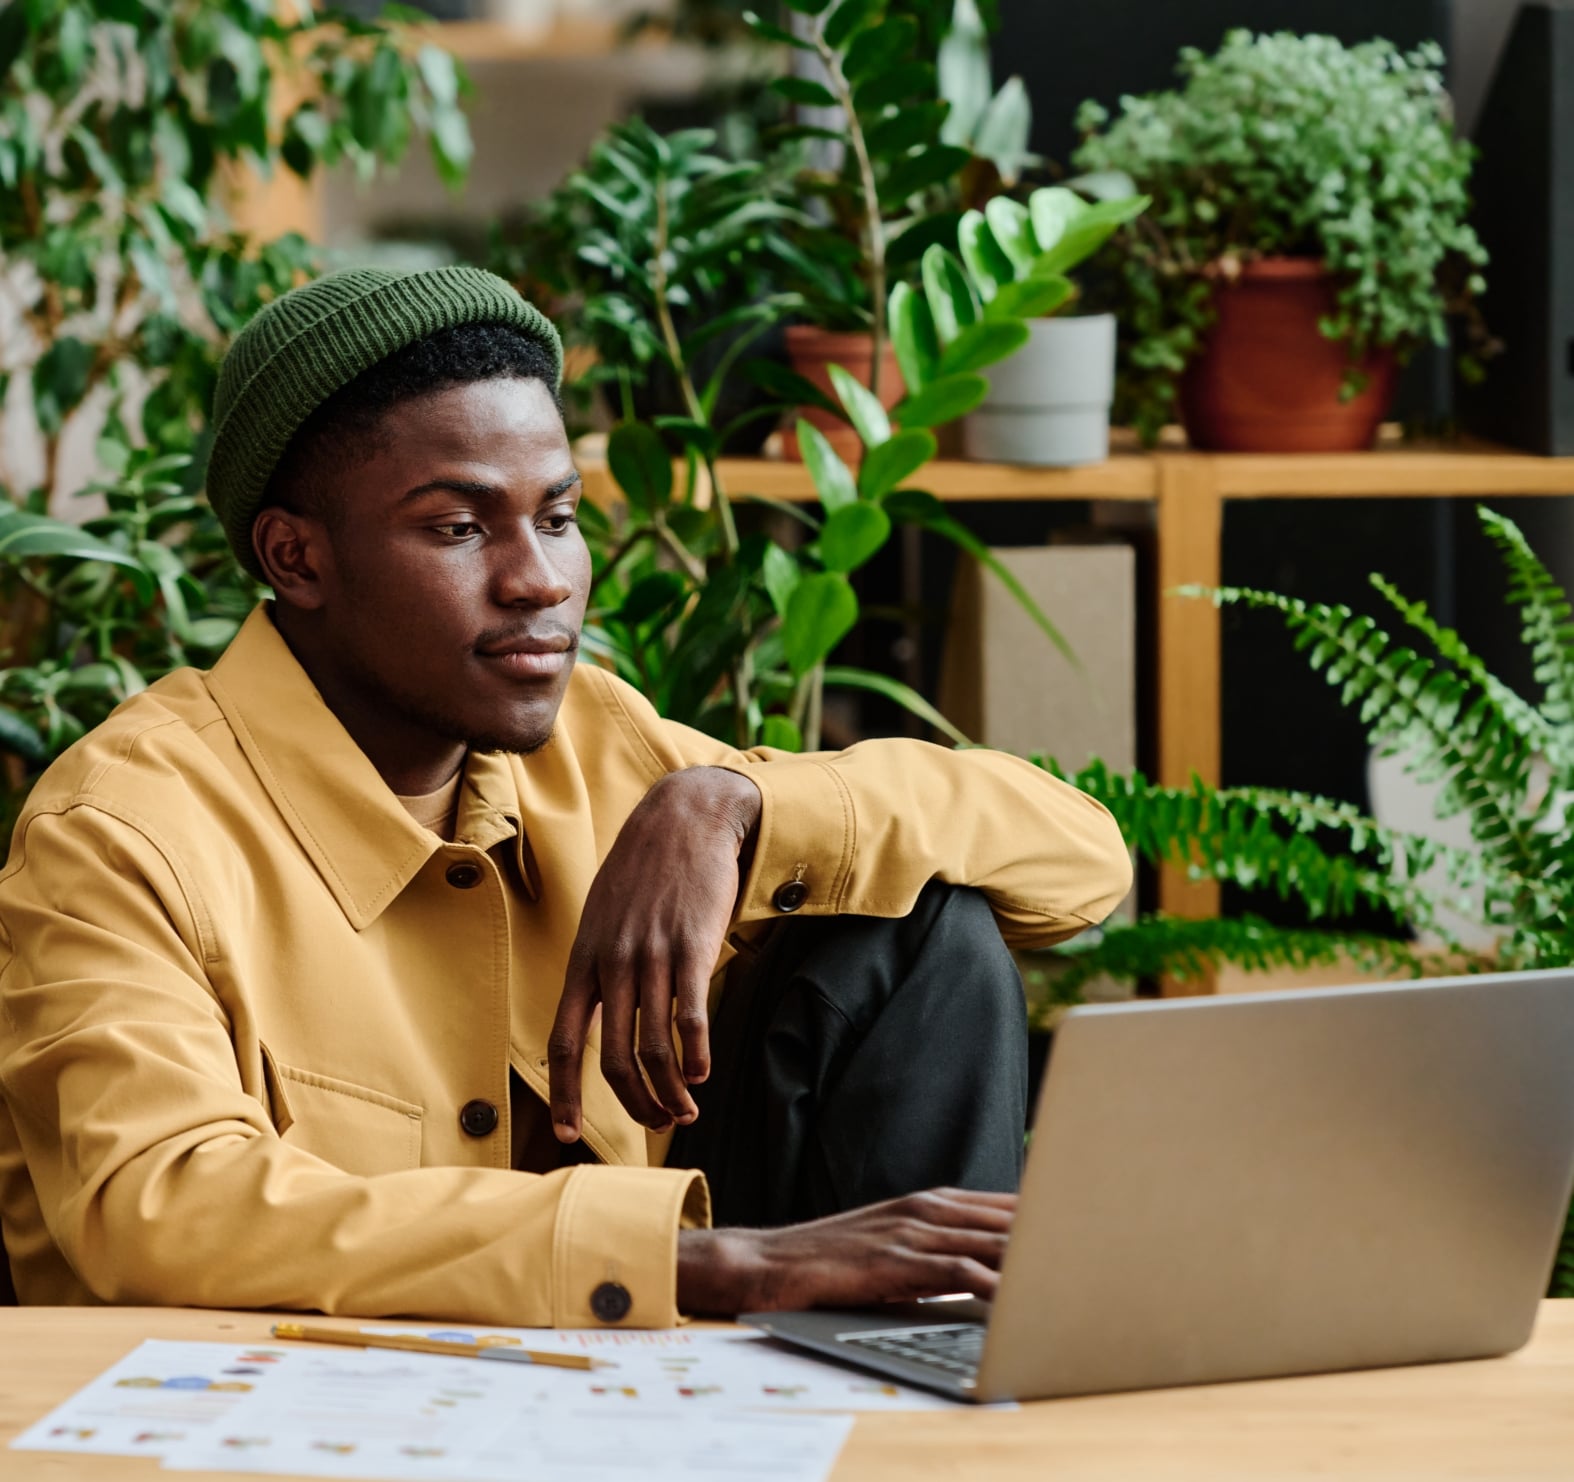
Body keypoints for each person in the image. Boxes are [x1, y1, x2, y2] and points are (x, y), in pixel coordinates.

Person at [0, 267, 1131, 1326]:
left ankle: (919, 1385)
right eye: (457, 527)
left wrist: (726, 803)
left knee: (925, 935)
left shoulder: (598, 741)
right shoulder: (121, 830)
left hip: (613, 1401)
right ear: (297, 558)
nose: (539, 580)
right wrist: (705, 1260)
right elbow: (159, 1207)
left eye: (557, 516)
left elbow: (1080, 865)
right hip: (277, 1422)